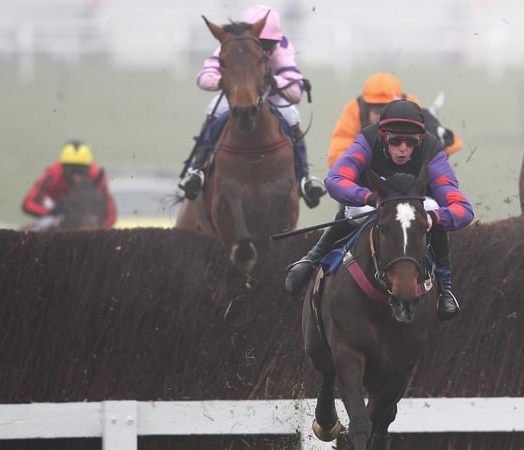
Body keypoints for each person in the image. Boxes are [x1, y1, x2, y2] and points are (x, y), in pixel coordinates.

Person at [284, 99, 474, 321]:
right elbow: (335, 180)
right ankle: (313, 258)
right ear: (384, 137)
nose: (403, 148)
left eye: (411, 142)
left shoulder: (431, 149)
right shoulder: (367, 139)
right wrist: (370, 197)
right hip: (375, 202)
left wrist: (433, 217)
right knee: (353, 210)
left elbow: (463, 208)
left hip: (416, 209)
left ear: (420, 140)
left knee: (433, 209)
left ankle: (445, 286)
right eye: (395, 141)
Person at [178, 4, 326, 208]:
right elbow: (203, 77)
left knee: (292, 118)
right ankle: (197, 170)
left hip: (271, 98)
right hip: (236, 98)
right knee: (216, 111)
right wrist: (222, 83)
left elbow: (296, 93)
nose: (265, 49)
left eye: (268, 44)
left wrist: (275, 82)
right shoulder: (229, 44)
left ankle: (304, 179)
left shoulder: (282, 47)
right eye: (261, 43)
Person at [327, 72, 463, 167]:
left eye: (388, 108)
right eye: (377, 110)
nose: (383, 116)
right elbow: (336, 159)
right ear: (366, 106)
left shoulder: (411, 106)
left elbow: (448, 145)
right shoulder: (353, 110)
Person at [22, 139, 116, 229]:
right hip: (56, 208)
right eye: (71, 170)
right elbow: (28, 204)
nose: (76, 176)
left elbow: (111, 214)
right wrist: (50, 212)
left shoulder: (97, 175)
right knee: (44, 226)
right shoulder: (53, 173)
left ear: (88, 168)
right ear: (62, 167)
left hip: (86, 212)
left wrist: (100, 230)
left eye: (80, 170)